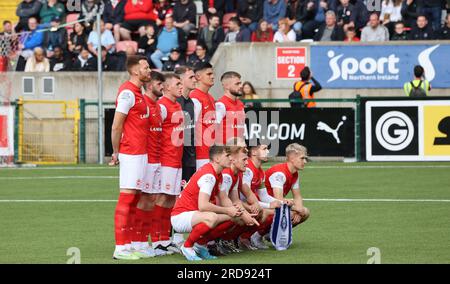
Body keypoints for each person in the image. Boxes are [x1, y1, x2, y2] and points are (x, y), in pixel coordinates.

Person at [110, 55, 151, 260]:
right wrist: (116, 151)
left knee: (135, 198)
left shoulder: (139, 91)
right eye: (145, 67)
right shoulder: (127, 93)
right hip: (131, 153)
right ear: (135, 70)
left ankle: (129, 244)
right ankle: (120, 248)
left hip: (141, 153)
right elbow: (117, 125)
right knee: (127, 198)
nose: (149, 70)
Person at [170, 145, 242, 261]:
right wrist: (228, 210)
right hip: (181, 216)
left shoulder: (218, 174)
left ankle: (200, 245)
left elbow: (223, 199)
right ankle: (187, 246)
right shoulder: (209, 175)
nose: (231, 159)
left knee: (233, 218)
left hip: (194, 214)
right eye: (227, 155)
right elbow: (203, 206)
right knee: (212, 217)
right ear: (217, 158)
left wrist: (238, 211)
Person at [131, 71, 166, 257]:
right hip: (146, 160)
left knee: (151, 201)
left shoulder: (158, 107)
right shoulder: (142, 104)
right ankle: (138, 241)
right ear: (150, 85)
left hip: (157, 160)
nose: (163, 86)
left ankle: (145, 241)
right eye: (160, 83)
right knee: (143, 201)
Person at [154, 73, 184, 255]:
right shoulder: (162, 107)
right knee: (162, 199)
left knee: (172, 200)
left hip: (176, 160)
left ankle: (166, 239)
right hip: (165, 160)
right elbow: (155, 135)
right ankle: (157, 241)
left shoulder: (178, 105)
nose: (181, 87)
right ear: (166, 87)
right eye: (177, 84)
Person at [263, 143, 311, 246]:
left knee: (305, 212)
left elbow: (297, 196)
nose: (305, 162)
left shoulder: (295, 174)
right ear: (292, 158)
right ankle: (255, 236)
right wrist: (296, 209)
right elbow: (279, 200)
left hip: (274, 206)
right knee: (291, 213)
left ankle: (270, 233)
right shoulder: (279, 173)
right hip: (264, 206)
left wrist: (299, 211)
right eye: (302, 158)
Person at [239, 144, 281, 250]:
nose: (268, 152)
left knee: (282, 210)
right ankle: (243, 238)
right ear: (253, 152)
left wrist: (280, 202)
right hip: (240, 205)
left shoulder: (261, 172)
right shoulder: (247, 170)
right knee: (267, 212)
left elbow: (263, 195)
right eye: (264, 149)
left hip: (250, 205)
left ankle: (251, 237)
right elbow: (243, 197)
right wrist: (269, 205)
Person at [174, 65, 197, 248]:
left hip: (190, 157)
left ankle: (178, 237)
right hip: (177, 159)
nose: (195, 79)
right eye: (191, 77)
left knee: (185, 197)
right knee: (174, 197)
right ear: (181, 81)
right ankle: (171, 238)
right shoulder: (177, 102)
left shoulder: (191, 103)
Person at [190, 62, 217, 170]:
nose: (213, 76)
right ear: (198, 77)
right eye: (209, 74)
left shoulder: (210, 97)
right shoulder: (194, 97)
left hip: (211, 152)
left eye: (212, 73)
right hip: (200, 154)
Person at [215, 71, 246, 146]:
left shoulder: (240, 104)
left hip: (239, 149)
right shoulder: (220, 104)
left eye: (240, 83)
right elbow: (213, 130)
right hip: (226, 151)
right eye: (237, 84)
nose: (241, 86)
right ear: (226, 86)